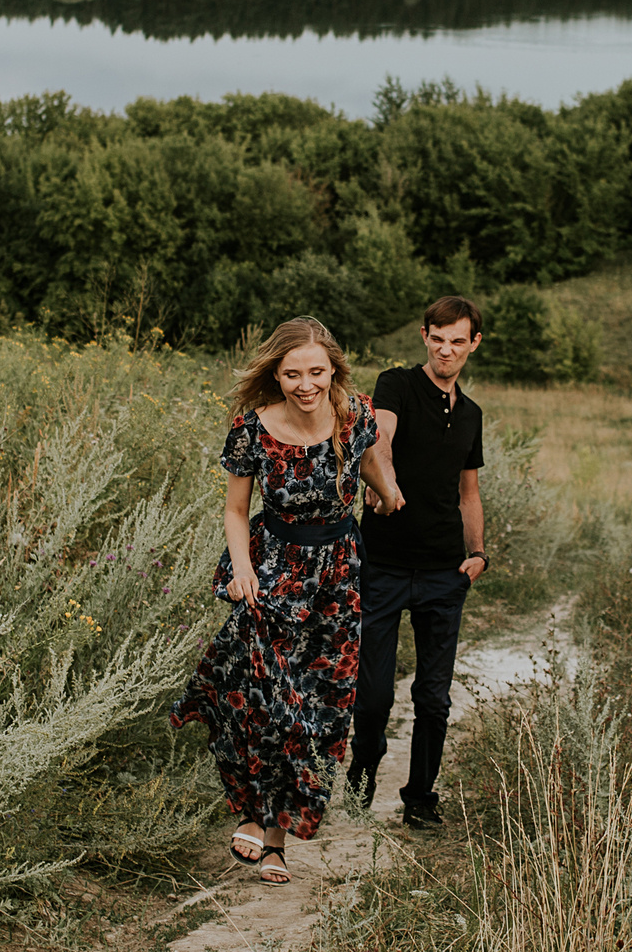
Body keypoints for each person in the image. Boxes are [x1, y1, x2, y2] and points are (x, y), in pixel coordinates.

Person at [169, 317, 404, 884]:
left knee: (316, 704)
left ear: (333, 371)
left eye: (316, 372)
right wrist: (242, 569)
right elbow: (234, 509)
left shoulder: (353, 416)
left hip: (338, 579)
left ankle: (275, 840)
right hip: (272, 569)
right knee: (269, 696)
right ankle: (253, 814)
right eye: (293, 373)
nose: (306, 384)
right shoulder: (253, 428)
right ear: (276, 372)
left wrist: (388, 492)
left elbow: (371, 460)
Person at [348, 295, 487, 830]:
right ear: (424, 336)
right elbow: (379, 438)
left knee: (433, 696)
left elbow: (468, 493)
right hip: (382, 564)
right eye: (438, 338)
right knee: (375, 691)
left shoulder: (472, 414)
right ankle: (362, 772)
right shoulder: (397, 384)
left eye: (458, 340)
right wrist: (387, 486)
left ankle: (420, 798)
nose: (446, 349)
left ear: (473, 343)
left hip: (442, 572)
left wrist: (477, 554)